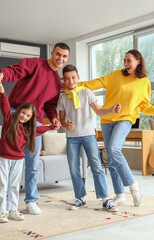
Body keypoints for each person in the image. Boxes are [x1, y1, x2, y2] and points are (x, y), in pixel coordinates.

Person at [79, 49, 154, 207]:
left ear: (138, 61)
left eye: (129, 60)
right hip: (107, 119)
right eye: (124, 60)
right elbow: (95, 83)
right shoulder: (116, 75)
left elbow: (145, 107)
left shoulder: (144, 83)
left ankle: (132, 184)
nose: (126, 63)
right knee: (112, 157)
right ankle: (119, 194)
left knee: (114, 149)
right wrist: (75, 84)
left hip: (125, 119)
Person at [0, 42, 70, 215]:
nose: (60, 58)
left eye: (64, 56)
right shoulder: (35, 64)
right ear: (52, 53)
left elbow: (50, 105)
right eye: (58, 54)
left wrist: (53, 119)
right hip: (15, 113)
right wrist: (2, 75)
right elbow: (15, 70)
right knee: (10, 159)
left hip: (35, 121)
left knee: (32, 163)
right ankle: (3, 206)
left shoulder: (57, 82)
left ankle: (31, 201)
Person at [58, 64, 121, 212]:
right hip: (72, 138)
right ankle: (80, 198)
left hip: (88, 136)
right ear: (64, 80)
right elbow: (61, 120)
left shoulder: (86, 92)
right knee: (74, 169)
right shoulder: (62, 97)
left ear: (78, 78)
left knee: (97, 167)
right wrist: (67, 126)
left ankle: (106, 199)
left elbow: (99, 112)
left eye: (73, 77)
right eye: (67, 78)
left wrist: (111, 110)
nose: (70, 80)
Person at [0, 81, 55, 223]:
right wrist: (1, 89)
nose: (24, 117)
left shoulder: (28, 129)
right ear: (19, 111)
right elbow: (4, 104)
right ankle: (1, 212)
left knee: (14, 185)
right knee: (2, 185)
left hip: (18, 160)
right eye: (23, 113)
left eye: (28, 116)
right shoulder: (9, 119)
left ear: (30, 118)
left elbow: (39, 130)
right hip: (4, 158)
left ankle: (12, 209)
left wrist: (51, 127)